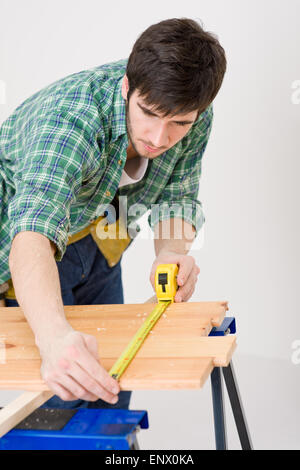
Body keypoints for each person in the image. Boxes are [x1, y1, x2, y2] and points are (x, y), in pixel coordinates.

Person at [0, 18, 226, 410]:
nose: (159, 138)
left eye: (178, 124)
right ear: (126, 87)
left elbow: (179, 195)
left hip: (100, 237)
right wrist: (53, 340)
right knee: (63, 392)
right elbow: (32, 233)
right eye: (149, 113)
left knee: (112, 385)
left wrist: (171, 253)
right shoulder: (71, 121)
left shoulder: (193, 112)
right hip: (27, 254)